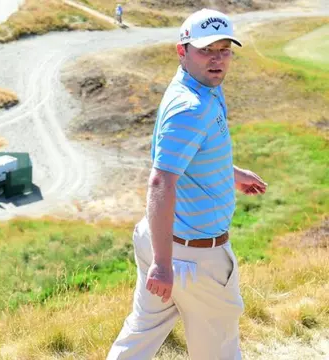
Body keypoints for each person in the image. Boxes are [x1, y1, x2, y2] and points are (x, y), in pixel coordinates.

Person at [106, 8, 268, 360]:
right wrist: (163, 265)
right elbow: (161, 180)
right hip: (193, 257)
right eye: (206, 50)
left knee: (140, 335)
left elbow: (185, 157)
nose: (217, 60)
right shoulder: (193, 106)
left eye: (225, 50)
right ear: (182, 50)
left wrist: (231, 173)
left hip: (159, 240)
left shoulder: (195, 86)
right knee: (219, 350)